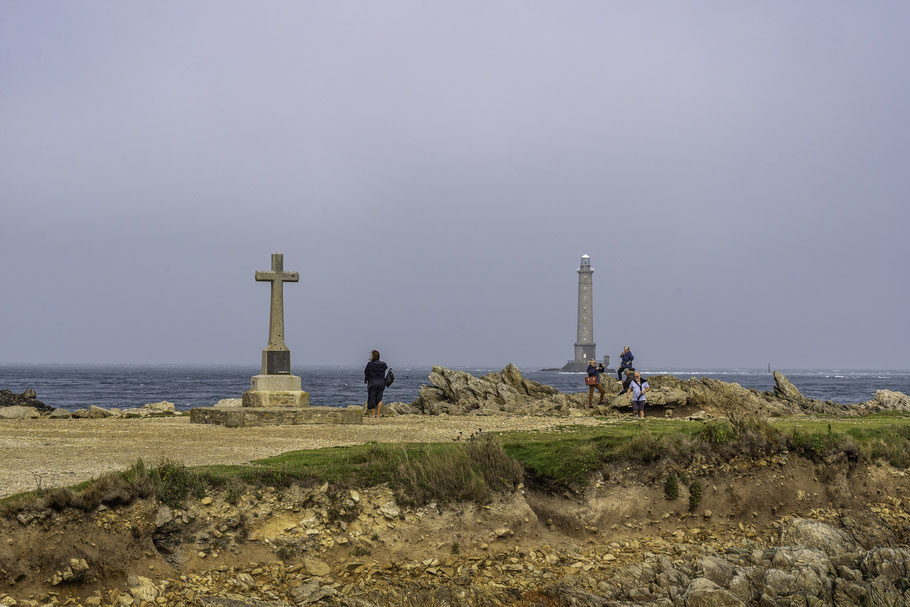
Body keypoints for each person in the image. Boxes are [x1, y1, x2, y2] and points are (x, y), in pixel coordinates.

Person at [363, 350, 389, 419]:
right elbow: (386, 368)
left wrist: (366, 380)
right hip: (381, 382)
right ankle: (378, 414)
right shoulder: (383, 364)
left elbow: (366, 373)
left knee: (371, 397)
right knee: (379, 399)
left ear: (372, 356)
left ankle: (373, 414)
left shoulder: (370, 364)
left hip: (372, 382)